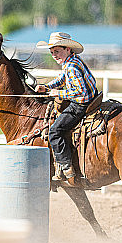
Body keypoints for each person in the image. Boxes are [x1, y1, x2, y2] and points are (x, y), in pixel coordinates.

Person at [35, 31, 98, 182]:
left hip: (81, 103)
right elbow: (62, 78)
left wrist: (56, 93)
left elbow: (79, 91)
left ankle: (66, 167)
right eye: (51, 52)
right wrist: (47, 87)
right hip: (89, 99)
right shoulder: (72, 62)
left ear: (67, 49)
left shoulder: (71, 67)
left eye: (57, 51)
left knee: (55, 131)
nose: (54, 55)